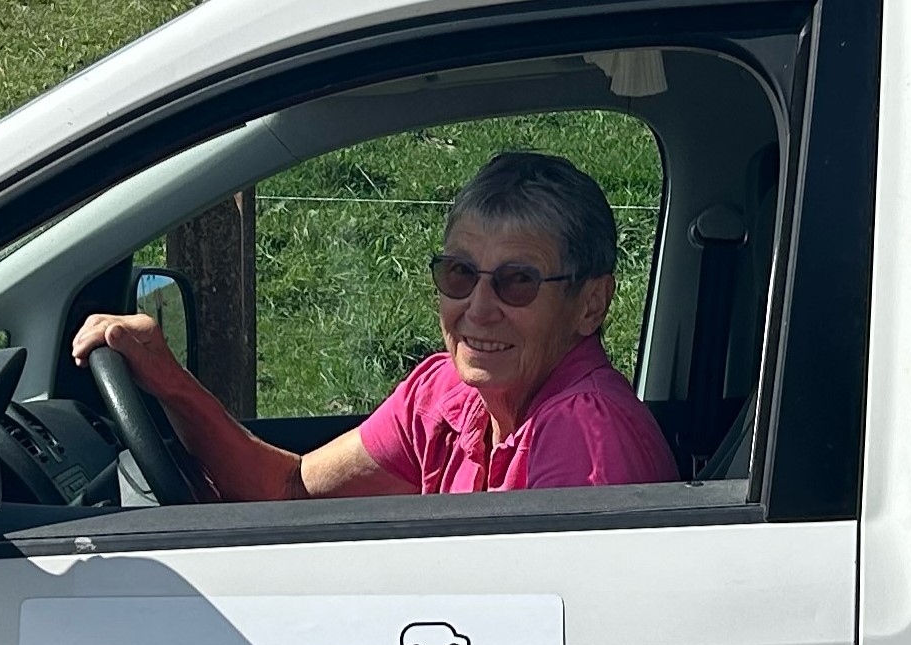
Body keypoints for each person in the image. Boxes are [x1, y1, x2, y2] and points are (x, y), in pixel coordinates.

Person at [71, 150, 679, 501]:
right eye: (460, 274)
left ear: (590, 304)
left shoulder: (585, 438)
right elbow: (291, 490)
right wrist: (171, 383)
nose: (481, 307)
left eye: (518, 281)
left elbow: (555, 643)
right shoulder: (445, 391)